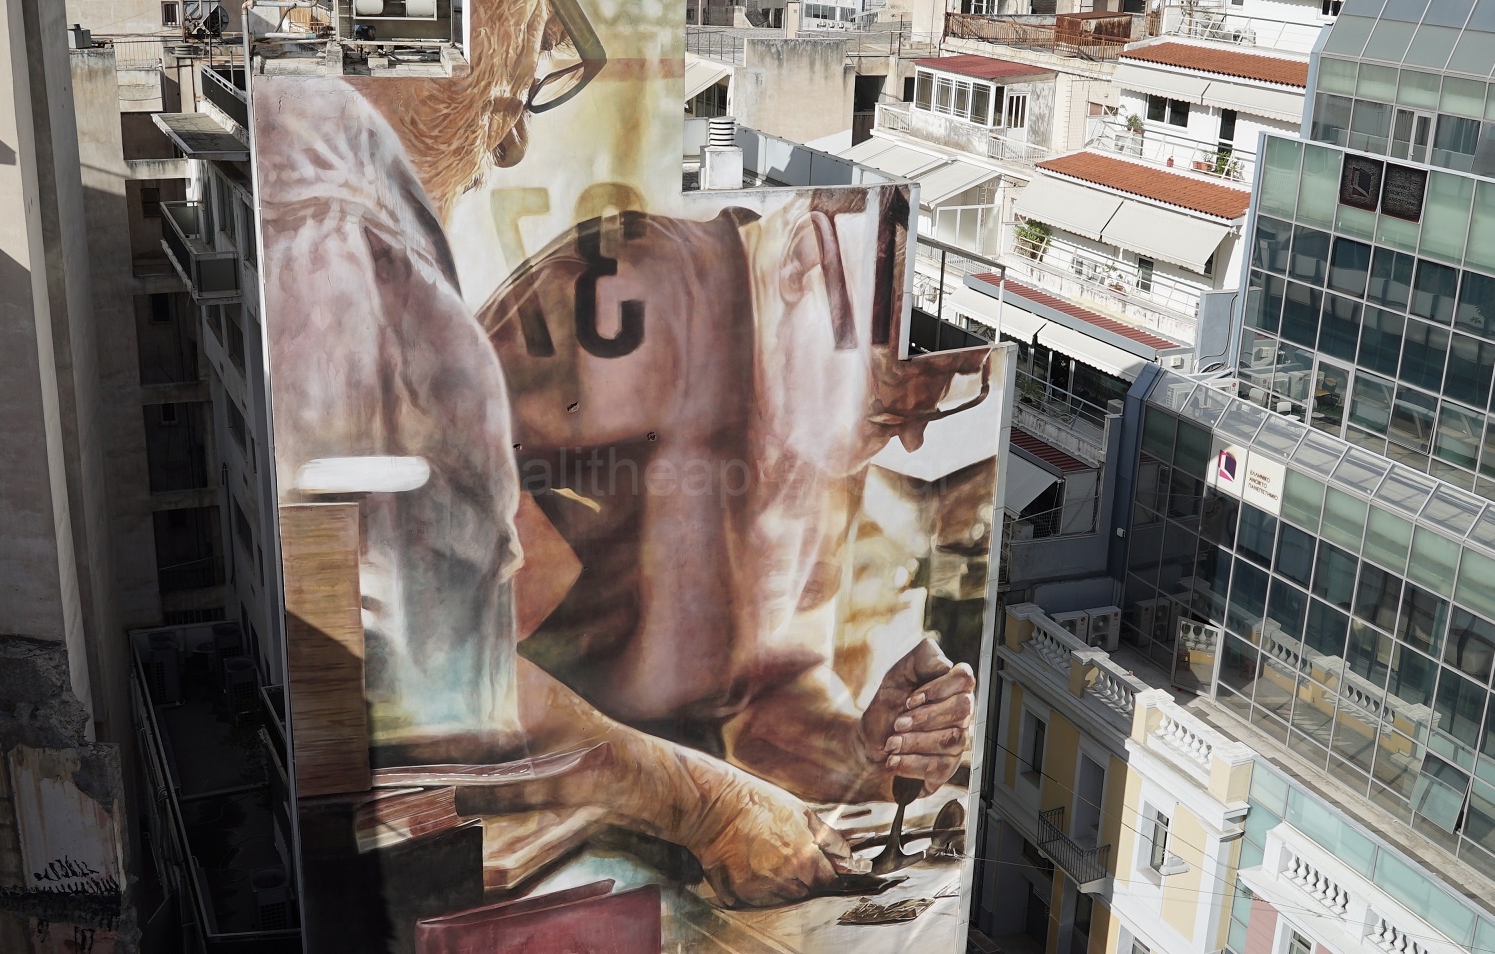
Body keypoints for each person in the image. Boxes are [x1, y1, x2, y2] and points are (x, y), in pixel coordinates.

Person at [256, 0, 987, 909]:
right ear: (805, 260)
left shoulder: (818, 416)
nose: (912, 434)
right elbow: (435, 686)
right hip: (518, 886)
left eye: (939, 398)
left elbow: (757, 697)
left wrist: (867, 749)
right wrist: (707, 807)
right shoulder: (628, 311)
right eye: (894, 390)